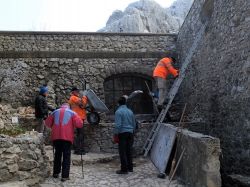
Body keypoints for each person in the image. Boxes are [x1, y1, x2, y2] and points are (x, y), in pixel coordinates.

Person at [45, 103, 83, 182]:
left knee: (57, 154)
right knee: (66, 156)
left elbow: (47, 123)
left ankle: (56, 173)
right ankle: (65, 176)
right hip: (67, 137)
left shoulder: (54, 112)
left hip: (56, 137)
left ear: (61, 106)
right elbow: (79, 124)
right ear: (68, 107)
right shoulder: (72, 113)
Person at [114, 96, 136, 174]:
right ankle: (130, 168)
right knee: (129, 151)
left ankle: (124, 169)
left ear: (118, 103)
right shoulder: (130, 111)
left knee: (122, 152)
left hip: (122, 133)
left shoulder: (118, 112)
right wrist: (133, 131)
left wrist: (115, 134)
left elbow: (118, 125)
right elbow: (134, 123)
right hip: (130, 132)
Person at [68, 87, 88, 155]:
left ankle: (79, 149)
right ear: (73, 91)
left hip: (78, 117)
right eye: (76, 91)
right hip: (78, 118)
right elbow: (82, 104)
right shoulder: (74, 98)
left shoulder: (74, 98)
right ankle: (78, 150)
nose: (78, 92)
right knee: (80, 134)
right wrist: (85, 97)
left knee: (80, 134)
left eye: (78, 91)